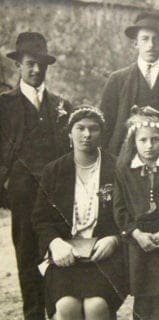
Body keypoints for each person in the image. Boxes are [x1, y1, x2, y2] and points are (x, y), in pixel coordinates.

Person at [0, 32, 72, 320]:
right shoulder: (4, 105)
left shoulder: (62, 105)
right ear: (18, 65)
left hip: (57, 196)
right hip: (22, 196)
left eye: (41, 64)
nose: (36, 70)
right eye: (30, 63)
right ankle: (33, 315)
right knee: (27, 260)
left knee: (58, 257)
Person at [31, 105, 127, 320]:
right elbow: (40, 218)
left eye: (93, 129)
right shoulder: (54, 170)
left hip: (104, 257)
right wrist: (55, 243)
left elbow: (130, 214)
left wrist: (115, 239)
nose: (86, 134)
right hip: (65, 257)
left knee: (96, 307)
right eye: (80, 128)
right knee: (67, 308)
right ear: (69, 133)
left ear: (102, 134)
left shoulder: (117, 168)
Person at [114, 106, 159, 320]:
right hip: (137, 242)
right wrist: (136, 234)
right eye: (143, 140)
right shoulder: (124, 171)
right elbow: (119, 208)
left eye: (155, 139)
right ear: (133, 142)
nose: (149, 145)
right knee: (142, 295)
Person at [100, 12, 159, 158]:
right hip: (124, 163)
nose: (151, 45)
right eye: (145, 39)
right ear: (135, 43)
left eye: (156, 40)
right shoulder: (117, 80)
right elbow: (105, 128)